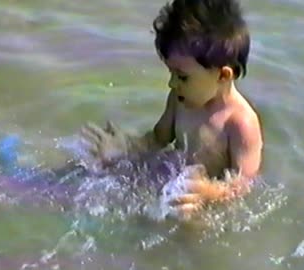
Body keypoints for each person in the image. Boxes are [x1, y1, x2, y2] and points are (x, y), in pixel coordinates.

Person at [80, 0, 263, 219]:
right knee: (102, 179)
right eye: (171, 74)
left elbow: (243, 184)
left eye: (182, 77)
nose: (172, 84)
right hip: (171, 178)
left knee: (190, 226)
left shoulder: (241, 123)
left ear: (223, 75)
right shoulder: (180, 99)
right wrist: (125, 148)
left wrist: (208, 193)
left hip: (201, 202)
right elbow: (158, 138)